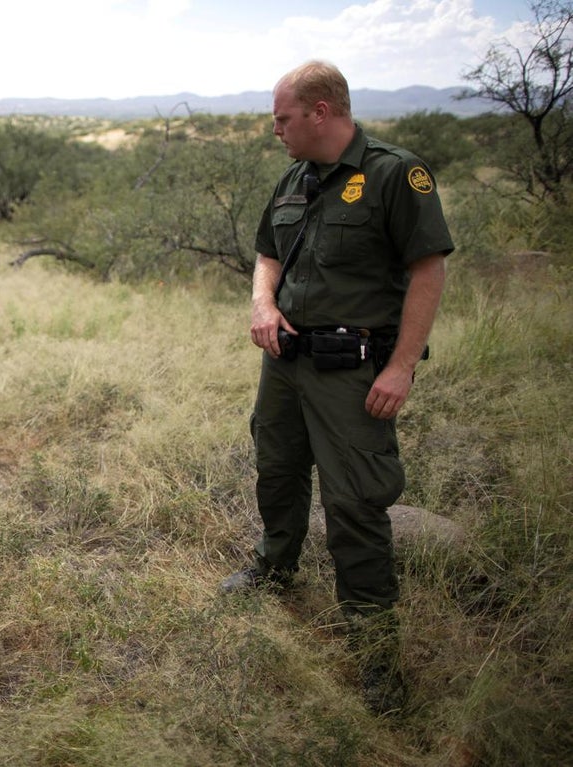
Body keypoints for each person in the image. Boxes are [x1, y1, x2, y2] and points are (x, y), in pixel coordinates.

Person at [219, 60, 453, 715]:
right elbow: (268, 252)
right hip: (285, 361)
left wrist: (401, 366)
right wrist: (263, 303)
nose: (276, 130)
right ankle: (275, 566)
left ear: (320, 112)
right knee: (277, 467)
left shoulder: (393, 174)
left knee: (354, 502)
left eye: (283, 118)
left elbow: (428, 270)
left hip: (353, 369)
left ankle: (376, 652)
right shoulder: (294, 177)